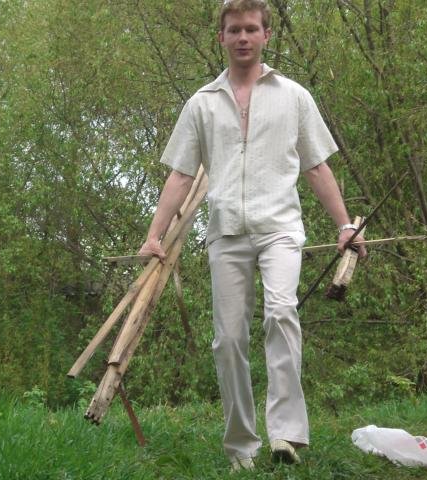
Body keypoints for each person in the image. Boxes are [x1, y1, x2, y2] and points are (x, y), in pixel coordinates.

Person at [138, 0, 366, 471]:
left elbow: (317, 166)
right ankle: (241, 447)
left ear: (266, 35)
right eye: (234, 30)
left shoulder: (294, 96)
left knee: (281, 313)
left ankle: (286, 434)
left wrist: (345, 225)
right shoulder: (202, 103)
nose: (243, 37)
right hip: (225, 233)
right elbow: (181, 175)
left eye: (251, 29)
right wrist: (154, 235)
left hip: (280, 228)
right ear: (221, 37)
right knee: (228, 339)